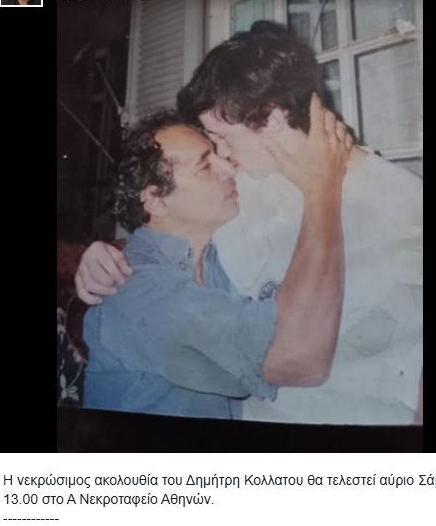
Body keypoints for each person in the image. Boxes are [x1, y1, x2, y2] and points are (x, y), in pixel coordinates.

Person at [77, 21, 422, 425]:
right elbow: (168, 232)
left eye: (221, 136)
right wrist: (101, 256)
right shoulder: (244, 187)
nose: (224, 158)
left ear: (270, 120)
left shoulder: (403, 202)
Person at [82, 101, 352, 418]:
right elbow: (300, 359)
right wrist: (322, 188)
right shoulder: (140, 293)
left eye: (217, 154)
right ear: (155, 200)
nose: (228, 168)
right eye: (205, 166)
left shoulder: (211, 249)